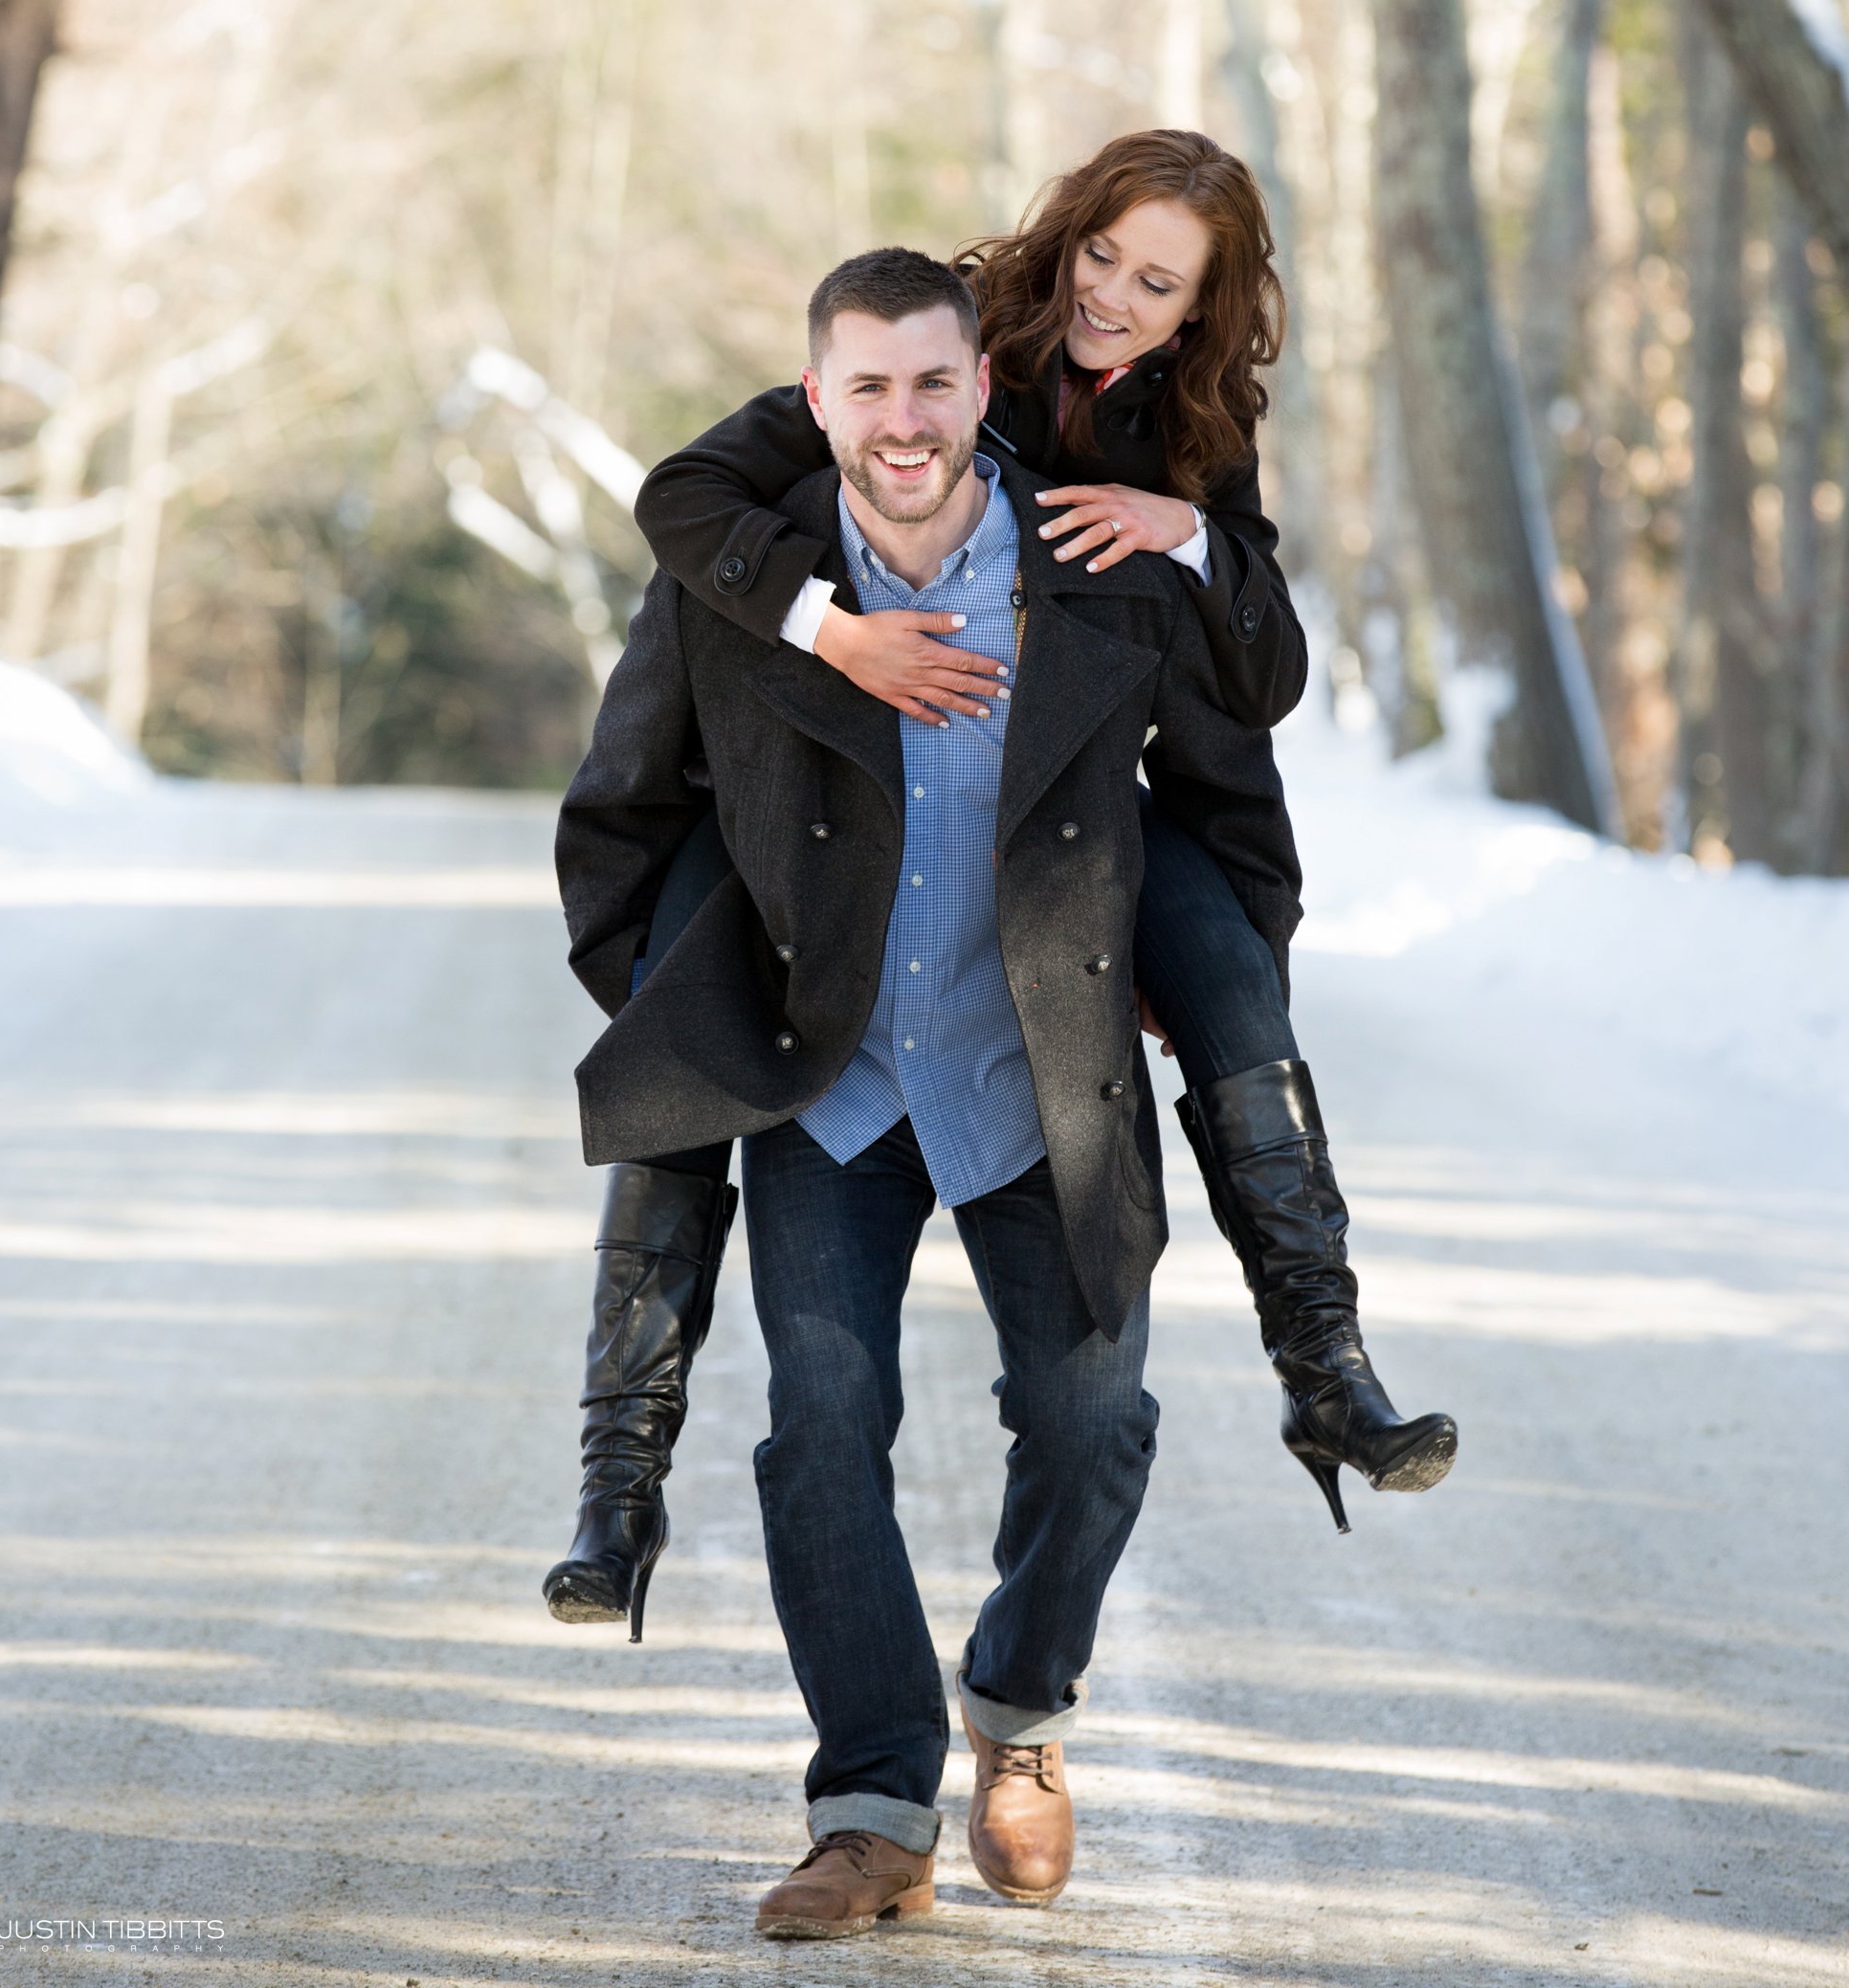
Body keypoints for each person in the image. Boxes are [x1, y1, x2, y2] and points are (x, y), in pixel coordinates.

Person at [546, 134, 1455, 1652]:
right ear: (1066, 235)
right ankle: (618, 1471)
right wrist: (833, 633)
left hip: (1065, 810)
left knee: (1234, 979)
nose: (1113, 297)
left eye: (1157, 283)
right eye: (1102, 254)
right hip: (806, 766)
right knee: (686, 1010)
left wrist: (1189, 531)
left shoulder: (1192, 426)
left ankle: (1325, 1365)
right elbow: (687, 497)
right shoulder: (943, 343)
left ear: (1202, 311)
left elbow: (1258, 674)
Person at [553, 247, 1308, 1931]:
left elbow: (1227, 788)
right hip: (831, 1086)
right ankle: (874, 1810)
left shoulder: (1087, 567)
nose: (905, 421)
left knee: (1093, 1421)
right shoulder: (745, 586)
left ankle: (1022, 1714)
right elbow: (620, 810)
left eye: (933, 383)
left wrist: (1205, 972)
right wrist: (692, 1006)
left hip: (1042, 1069)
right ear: (815, 401)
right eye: (868, 387)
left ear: (985, 386)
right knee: (822, 1432)